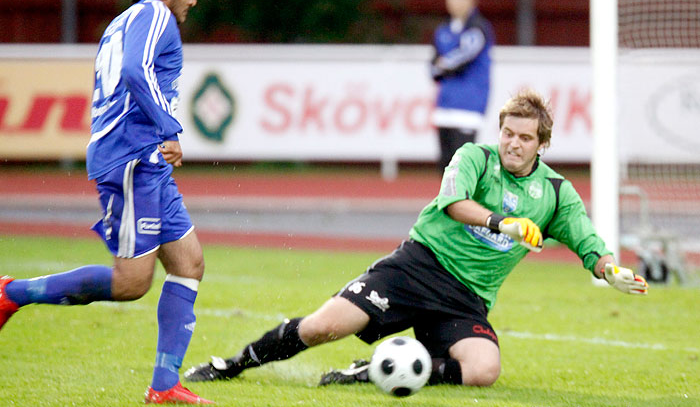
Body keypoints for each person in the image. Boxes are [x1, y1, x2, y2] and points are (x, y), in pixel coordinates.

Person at [183, 89, 648, 388]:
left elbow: (588, 241)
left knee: (484, 370)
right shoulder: (474, 158)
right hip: (416, 267)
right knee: (323, 327)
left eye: (525, 138)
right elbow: (453, 203)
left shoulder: (554, 193)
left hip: (467, 298)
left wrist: (610, 269)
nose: (513, 143)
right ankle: (236, 363)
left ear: (541, 145)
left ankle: (372, 373)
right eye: (507, 132)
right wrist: (501, 223)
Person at [0, 0, 212, 405]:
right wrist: (169, 127)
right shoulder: (155, 14)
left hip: (143, 160)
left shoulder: (122, 22)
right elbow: (135, 72)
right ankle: (10, 293)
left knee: (189, 262)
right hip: (134, 159)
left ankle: (165, 385)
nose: (193, 0)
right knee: (131, 283)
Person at [431, 0, 494, 172]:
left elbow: (460, 60)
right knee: (445, 170)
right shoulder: (443, 30)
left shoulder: (479, 28)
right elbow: (433, 68)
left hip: (468, 107)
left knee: (463, 171)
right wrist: (442, 66)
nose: (454, 1)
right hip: (444, 106)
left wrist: (444, 65)